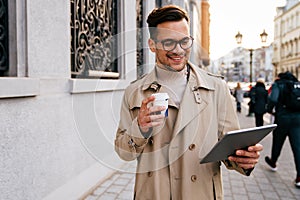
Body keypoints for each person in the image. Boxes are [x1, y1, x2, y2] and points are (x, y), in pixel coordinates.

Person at [114, 5, 263, 199]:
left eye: (185, 41)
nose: (179, 50)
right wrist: (139, 128)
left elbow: (230, 151)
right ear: (152, 45)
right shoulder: (134, 92)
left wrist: (245, 159)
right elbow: (124, 152)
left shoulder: (216, 88)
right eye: (168, 43)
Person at [265, 71, 300, 188]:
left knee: (278, 142)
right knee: (298, 147)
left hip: (282, 118)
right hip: (297, 119)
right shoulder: (297, 84)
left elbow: (273, 99)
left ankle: (273, 161)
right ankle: (299, 177)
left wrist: (269, 109)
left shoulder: (278, 84)